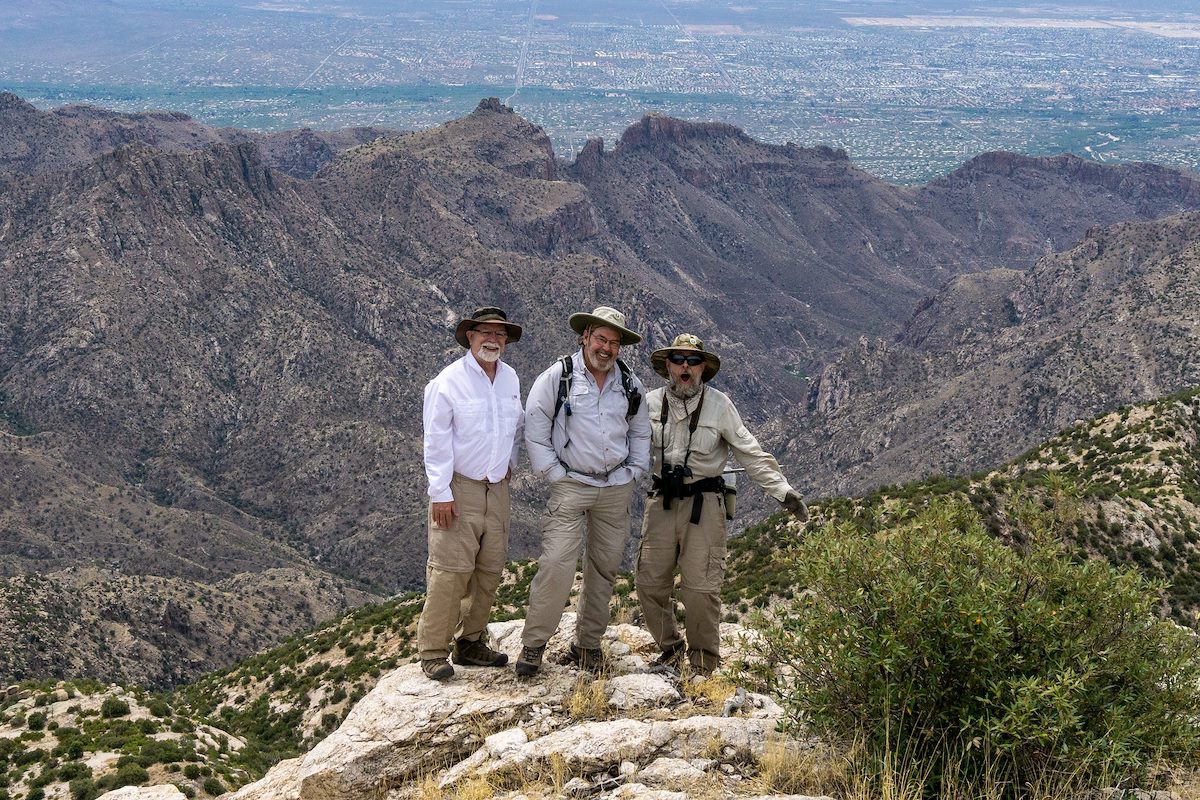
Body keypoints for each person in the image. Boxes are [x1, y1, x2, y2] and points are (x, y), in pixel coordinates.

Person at [636, 333, 808, 677]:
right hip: (661, 502)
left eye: (693, 361)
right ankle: (669, 649)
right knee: (649, 584)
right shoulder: (649, 404)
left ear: (703, 368)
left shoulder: (720, 405)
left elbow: (750, 451)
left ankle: (703, 664)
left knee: (700, 589)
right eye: (679, 360)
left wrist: (784, 491)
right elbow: (624, 446)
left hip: (705, 504)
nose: (686, 367)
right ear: (668, 365)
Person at [515, 305, 651, 676]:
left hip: (615, 487)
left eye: (614, 342)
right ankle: (534, 645)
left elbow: (640, 431)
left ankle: (588, 644)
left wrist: (635, 470)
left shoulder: (629, 384)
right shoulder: (558, 377)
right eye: (601, 339)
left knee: (604, 569)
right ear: (585, 337)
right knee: (557, 563)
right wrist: (553, 473)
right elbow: (536, 426)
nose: (606, 348)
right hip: (572, 484)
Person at [416, 306, 525, 681]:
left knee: (488, 571)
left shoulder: (510, 379)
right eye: (485, 333)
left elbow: (515, 425)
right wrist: (440, 492)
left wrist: (509, 461)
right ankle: (432, 652)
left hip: (497, 490)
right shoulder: (448, 382)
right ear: (470, 337)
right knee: (450, 572)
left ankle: (470, 642)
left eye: (500, 335)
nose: (492, 340)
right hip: (458, 489)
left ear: (506, 341)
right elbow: (435, 441)